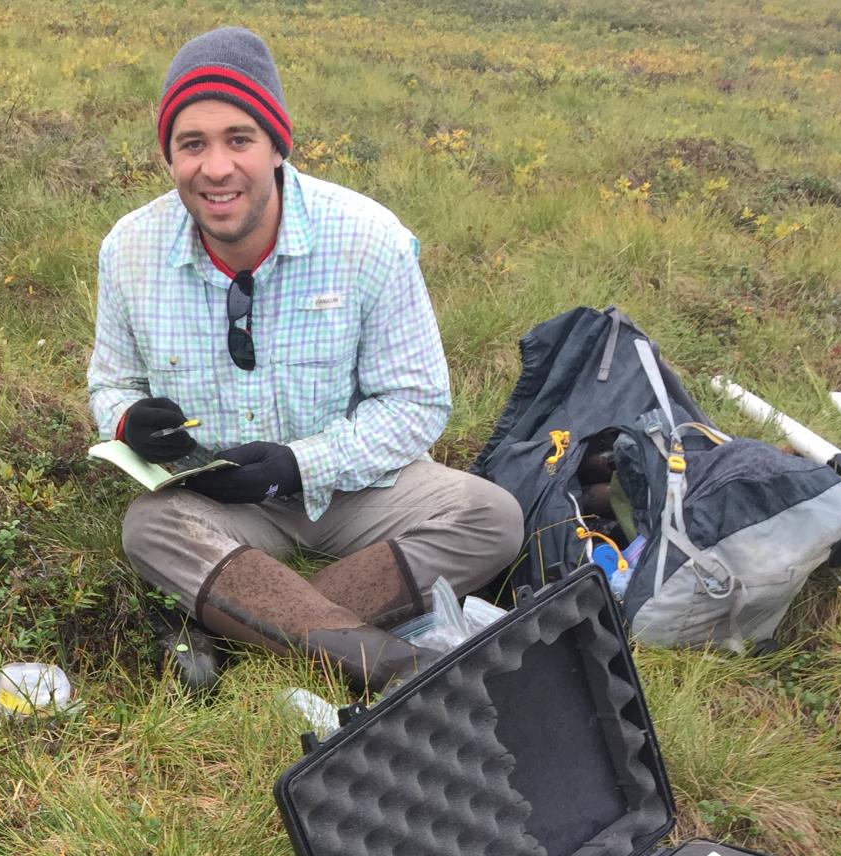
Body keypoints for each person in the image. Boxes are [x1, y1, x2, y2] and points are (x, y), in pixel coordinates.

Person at [88, 25, 525, 693]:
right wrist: (126, 421)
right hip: (221, 507)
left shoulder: (369, 239)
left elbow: (418, 405)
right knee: (149, 528)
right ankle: (391, 663)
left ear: (276, 147)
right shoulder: (129, 251)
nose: (216, 168)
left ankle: (236, 626)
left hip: (354, 492)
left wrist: (297, 463)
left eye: (239, 139)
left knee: (491, 519)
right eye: (192, 144)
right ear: (168, 156)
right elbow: (111, 382)